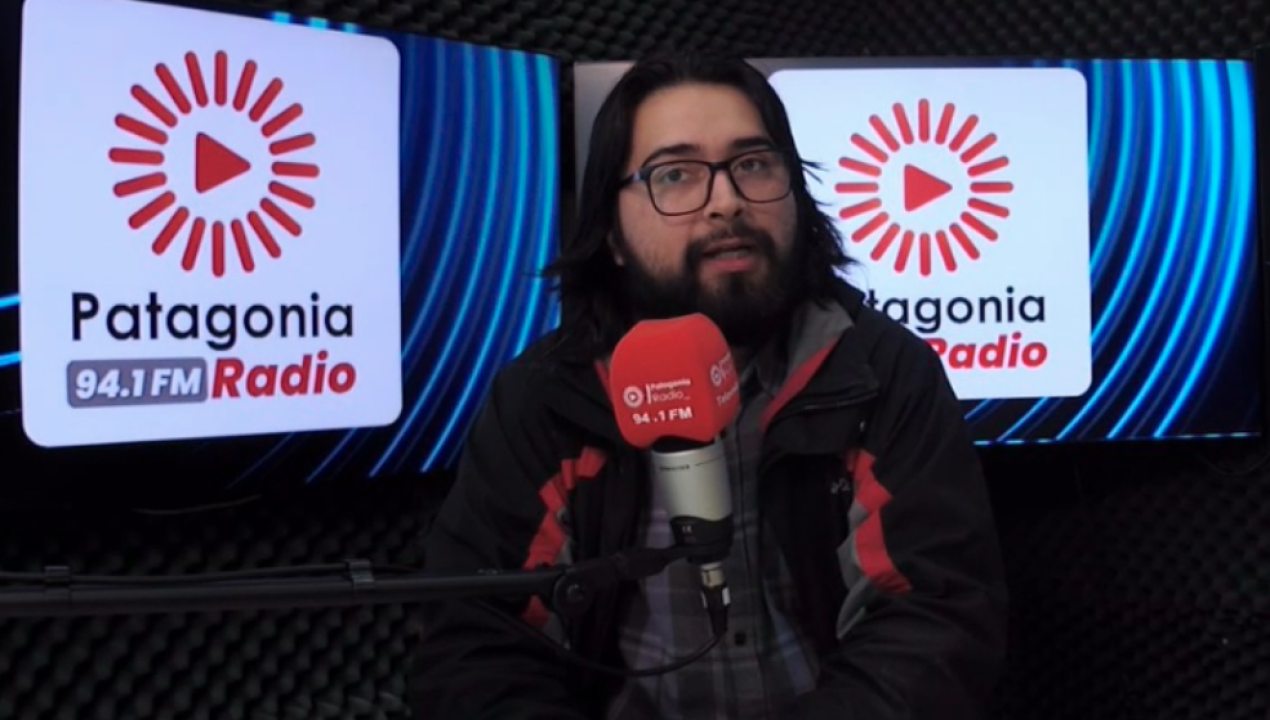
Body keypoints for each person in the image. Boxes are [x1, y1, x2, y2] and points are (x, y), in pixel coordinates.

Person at [408, 52, 1009, 720]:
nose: (727, 201)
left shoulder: (881, 373)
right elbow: (479, 650)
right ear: (611, 233)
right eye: (676, 174)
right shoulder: (543, 401)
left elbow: (932, 623)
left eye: (753, 164)